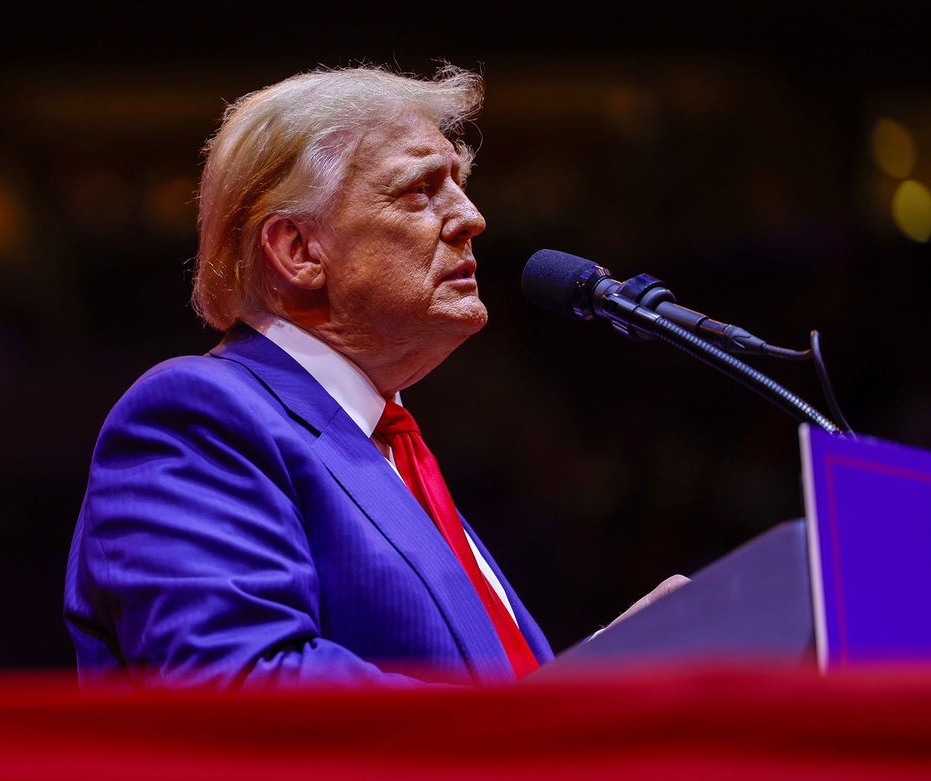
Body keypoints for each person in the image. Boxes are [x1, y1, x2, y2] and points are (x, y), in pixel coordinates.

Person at [64, 65, 683, 690]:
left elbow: (498, 704)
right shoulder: (199, 417)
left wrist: (598, 678)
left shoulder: (386, 444)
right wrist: (538, 721)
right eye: (419, 190)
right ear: (299, 251)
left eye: (460, 185)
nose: (471, 217)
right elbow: (246, 686)